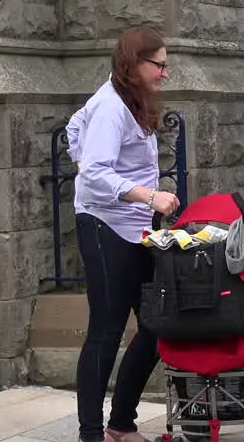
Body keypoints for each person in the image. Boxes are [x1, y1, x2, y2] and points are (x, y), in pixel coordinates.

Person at [67, 26, 179, 442]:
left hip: (135, 229)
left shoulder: (123, 100)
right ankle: (92, 433)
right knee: (107, 330)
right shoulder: (111, 106)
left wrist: (83, 157)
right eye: (160, 65)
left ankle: (120, 424)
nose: (165, 73)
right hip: (105, 227)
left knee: (156, 324)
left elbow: (74, 128)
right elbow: (95, 172)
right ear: (135, 63)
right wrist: (150, 196)